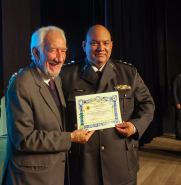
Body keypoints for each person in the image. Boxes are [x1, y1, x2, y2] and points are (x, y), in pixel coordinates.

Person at [61, 25, 155, 185]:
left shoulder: (128, 73)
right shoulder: (65, 75)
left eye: (105, 43)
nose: (101, 48)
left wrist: (135, 126)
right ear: (84, 45)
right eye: (94, 43)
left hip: (121, 164)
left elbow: (148, 104)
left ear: (112, 45)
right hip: (82, 166)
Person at [2, 26, 94, 185]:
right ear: (35, 52)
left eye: (63, 51)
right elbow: (24, 139)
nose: (60, 58)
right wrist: (71, 137)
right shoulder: (21, 84)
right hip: (30, 178)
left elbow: (53, 120)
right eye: (53, 50)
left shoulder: (55, 79)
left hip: (53, 173)